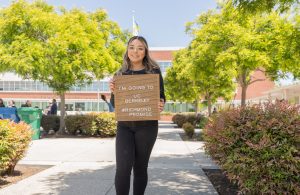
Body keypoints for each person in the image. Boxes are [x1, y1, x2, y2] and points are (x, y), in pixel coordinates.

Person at [110, 36, 166, 195]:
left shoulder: (153, 71)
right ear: (127, 50)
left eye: (140, 48)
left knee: (140, 168)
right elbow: (115, 105)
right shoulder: (120, 74)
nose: (135, 51)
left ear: (145, 51)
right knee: (122, 169)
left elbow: (161, 96)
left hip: (147, 127)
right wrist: (114, 92)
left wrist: (161, 104)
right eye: (132, 47)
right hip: (125, 127)